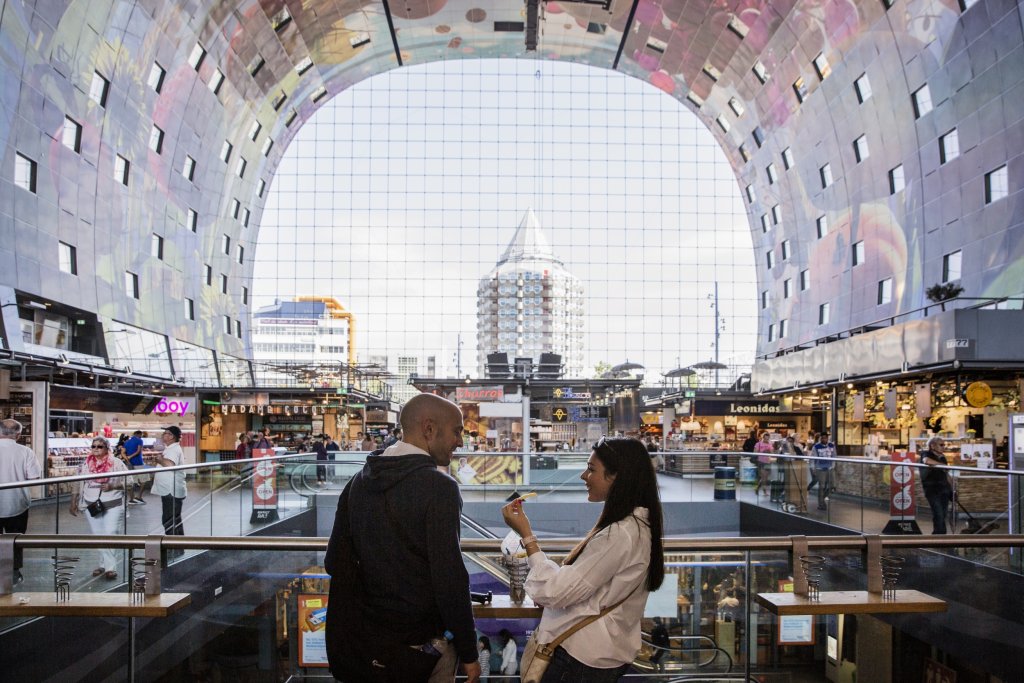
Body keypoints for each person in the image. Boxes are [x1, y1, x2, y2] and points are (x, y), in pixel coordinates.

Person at [324, 393, 481, 682]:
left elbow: (335, 562)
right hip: (422, 650)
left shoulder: (357, 484)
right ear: (429, 429)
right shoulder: (440, 489)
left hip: (368, 648)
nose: (461, 441)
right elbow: (449, 579)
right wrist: (470, 653)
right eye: (457, 431)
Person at [501, 436, 665, 681]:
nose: (583, 476)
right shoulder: (639, 524)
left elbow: (555, 592)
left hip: (581, 658)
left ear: (617, 476)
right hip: (606, 652)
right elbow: (588, 590)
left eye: (591, 469)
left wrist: (527, 535)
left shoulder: (620, 534)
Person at [69, 437, 128, 580]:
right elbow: (78, 482)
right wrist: (73, 501)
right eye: (93, 446)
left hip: (113, 503)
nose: (96, 449)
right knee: (98, 534)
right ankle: (104, 564)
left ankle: (110, 567)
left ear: (107, 448)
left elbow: (130, 481)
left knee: (110, 533)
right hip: (91, 503)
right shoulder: (86, 464)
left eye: (100, 446)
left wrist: (113, 486)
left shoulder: (117, 463)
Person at [0, 419, 41, 585]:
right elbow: (34, 477)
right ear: (18, 434)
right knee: (15, 539)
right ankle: (14, 572)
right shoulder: (25, 452)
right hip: (17, 503)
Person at [152, 426, 186, 536]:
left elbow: (170, 465)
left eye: (166, 433)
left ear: (172, 436)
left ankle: (173, 547)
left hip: (171, 491)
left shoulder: (174, 449)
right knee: (173, 519)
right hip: (169, 490)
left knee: (169, 520)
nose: (163, 435)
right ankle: (177, 546)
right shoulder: (170, 448)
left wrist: (160, 459)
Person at [920, 437, 953, 534]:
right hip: (932, 489)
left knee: (943, 513)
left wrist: (952, 488)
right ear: (932, 446)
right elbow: (926, 461)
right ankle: (938, 535)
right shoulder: (926, 454)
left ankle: (940, 535)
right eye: (941, 445)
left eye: (944, 445)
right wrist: (943, 465)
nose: (944, 447)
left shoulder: (943, 457)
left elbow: (946, 474)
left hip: (944, 488)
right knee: (938, 512)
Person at [811, 433, 835, 511]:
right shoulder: (816, 447)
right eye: (822, 438)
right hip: (820, 469)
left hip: (830, 468)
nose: (823, 439)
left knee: (832, 486)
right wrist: (813, 468)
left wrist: (833, 465)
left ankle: (822, 498)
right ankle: (821, 504)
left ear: (827, 438)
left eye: (825, 438)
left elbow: (834, 456)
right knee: (822, 486)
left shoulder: (832, 445)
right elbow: (812, 458)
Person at [124, 430, 146, 504]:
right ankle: (139, 497)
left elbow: (123, 452)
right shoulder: (139, 440)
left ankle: (131, 499)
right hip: (139, 463)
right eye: (141, 435)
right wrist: (131, 456)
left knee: (131, 482)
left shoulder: (127, 442)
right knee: (143, 481)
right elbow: (138, 451)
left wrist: (128, 458)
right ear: (139, 434)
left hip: (130, 464)